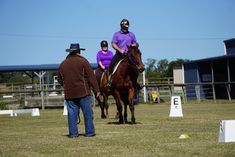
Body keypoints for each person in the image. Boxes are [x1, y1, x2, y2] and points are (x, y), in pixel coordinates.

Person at [57, 43, 100, 138]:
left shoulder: (62, 64)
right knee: (87, 113)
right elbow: (91, 77)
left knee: (72, 114)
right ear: (78, 51)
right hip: (83, 92)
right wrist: (97, 90)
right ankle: (89, 132)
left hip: (69, 93)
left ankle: (73, 134)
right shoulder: (83, 61)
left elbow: (60, 80)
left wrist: (67, 86)